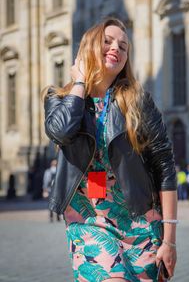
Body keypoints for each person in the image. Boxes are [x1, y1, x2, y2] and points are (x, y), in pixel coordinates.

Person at [43, 18, 177, 281]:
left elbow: (165, 165)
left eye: (123, 46)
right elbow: (60, 131)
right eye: (107, 41)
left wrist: (169, 239)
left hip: (140, 220)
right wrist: (80, 82)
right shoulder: (58, 98)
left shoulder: (137, 101)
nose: (116, 48)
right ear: (89, 47)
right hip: (89, 219)